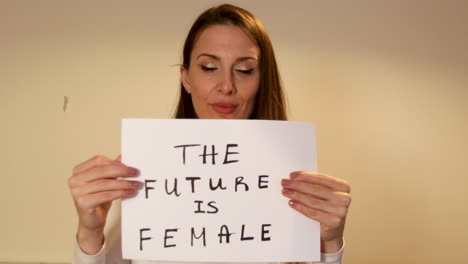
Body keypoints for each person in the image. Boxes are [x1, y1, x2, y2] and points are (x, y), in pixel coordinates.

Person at [69, 4, 351, 264]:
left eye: (244, 69)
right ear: (186, 78)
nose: (226, 85)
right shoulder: (144, 178)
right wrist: (90, 234)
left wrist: (330, 246)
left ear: (262, 79)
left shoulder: (296, 187)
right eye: (209, 67)